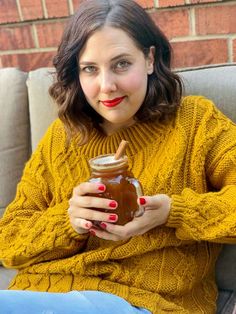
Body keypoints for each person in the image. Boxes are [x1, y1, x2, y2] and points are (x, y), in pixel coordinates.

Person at [0, 0, 235, 313]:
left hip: (146, 302)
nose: (106, 86)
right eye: (90, 69)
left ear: (149, 59)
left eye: (121, 64)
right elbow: (9, 242)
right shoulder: (63, 138)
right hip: (47, 293)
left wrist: (171, 212)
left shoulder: (195, 123)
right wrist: (69, 220)